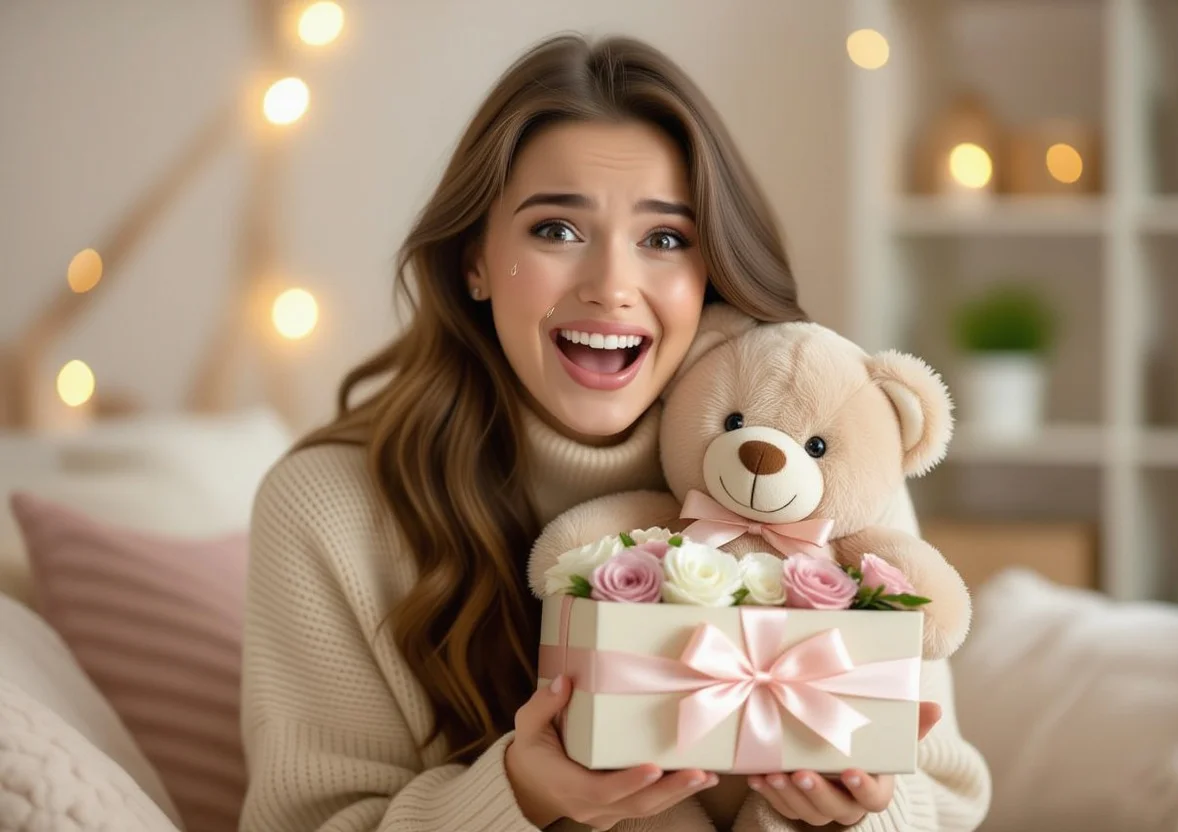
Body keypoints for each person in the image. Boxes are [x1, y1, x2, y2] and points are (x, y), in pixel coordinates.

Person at [238, 32, 991, 832]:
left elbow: (941, 800)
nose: (611, 288)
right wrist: (518, 801)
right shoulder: (328, 507)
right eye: (556, 231)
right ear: (475, 262)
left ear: (712, 273)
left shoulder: (821, 457)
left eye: (664, 239)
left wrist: (846, 816)